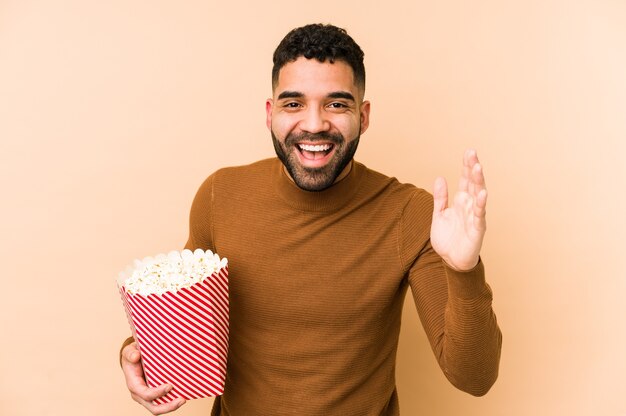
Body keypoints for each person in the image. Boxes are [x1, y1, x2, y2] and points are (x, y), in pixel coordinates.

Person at [120, 23, 502, 415]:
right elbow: (180, 316)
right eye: (293, 104)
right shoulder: (221, 196)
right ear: (270, 114)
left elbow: (475, 377)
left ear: (364, 116)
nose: (315, 124)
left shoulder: (411, 214)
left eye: (337, 104)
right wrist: (134, 355)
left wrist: (463, 269)